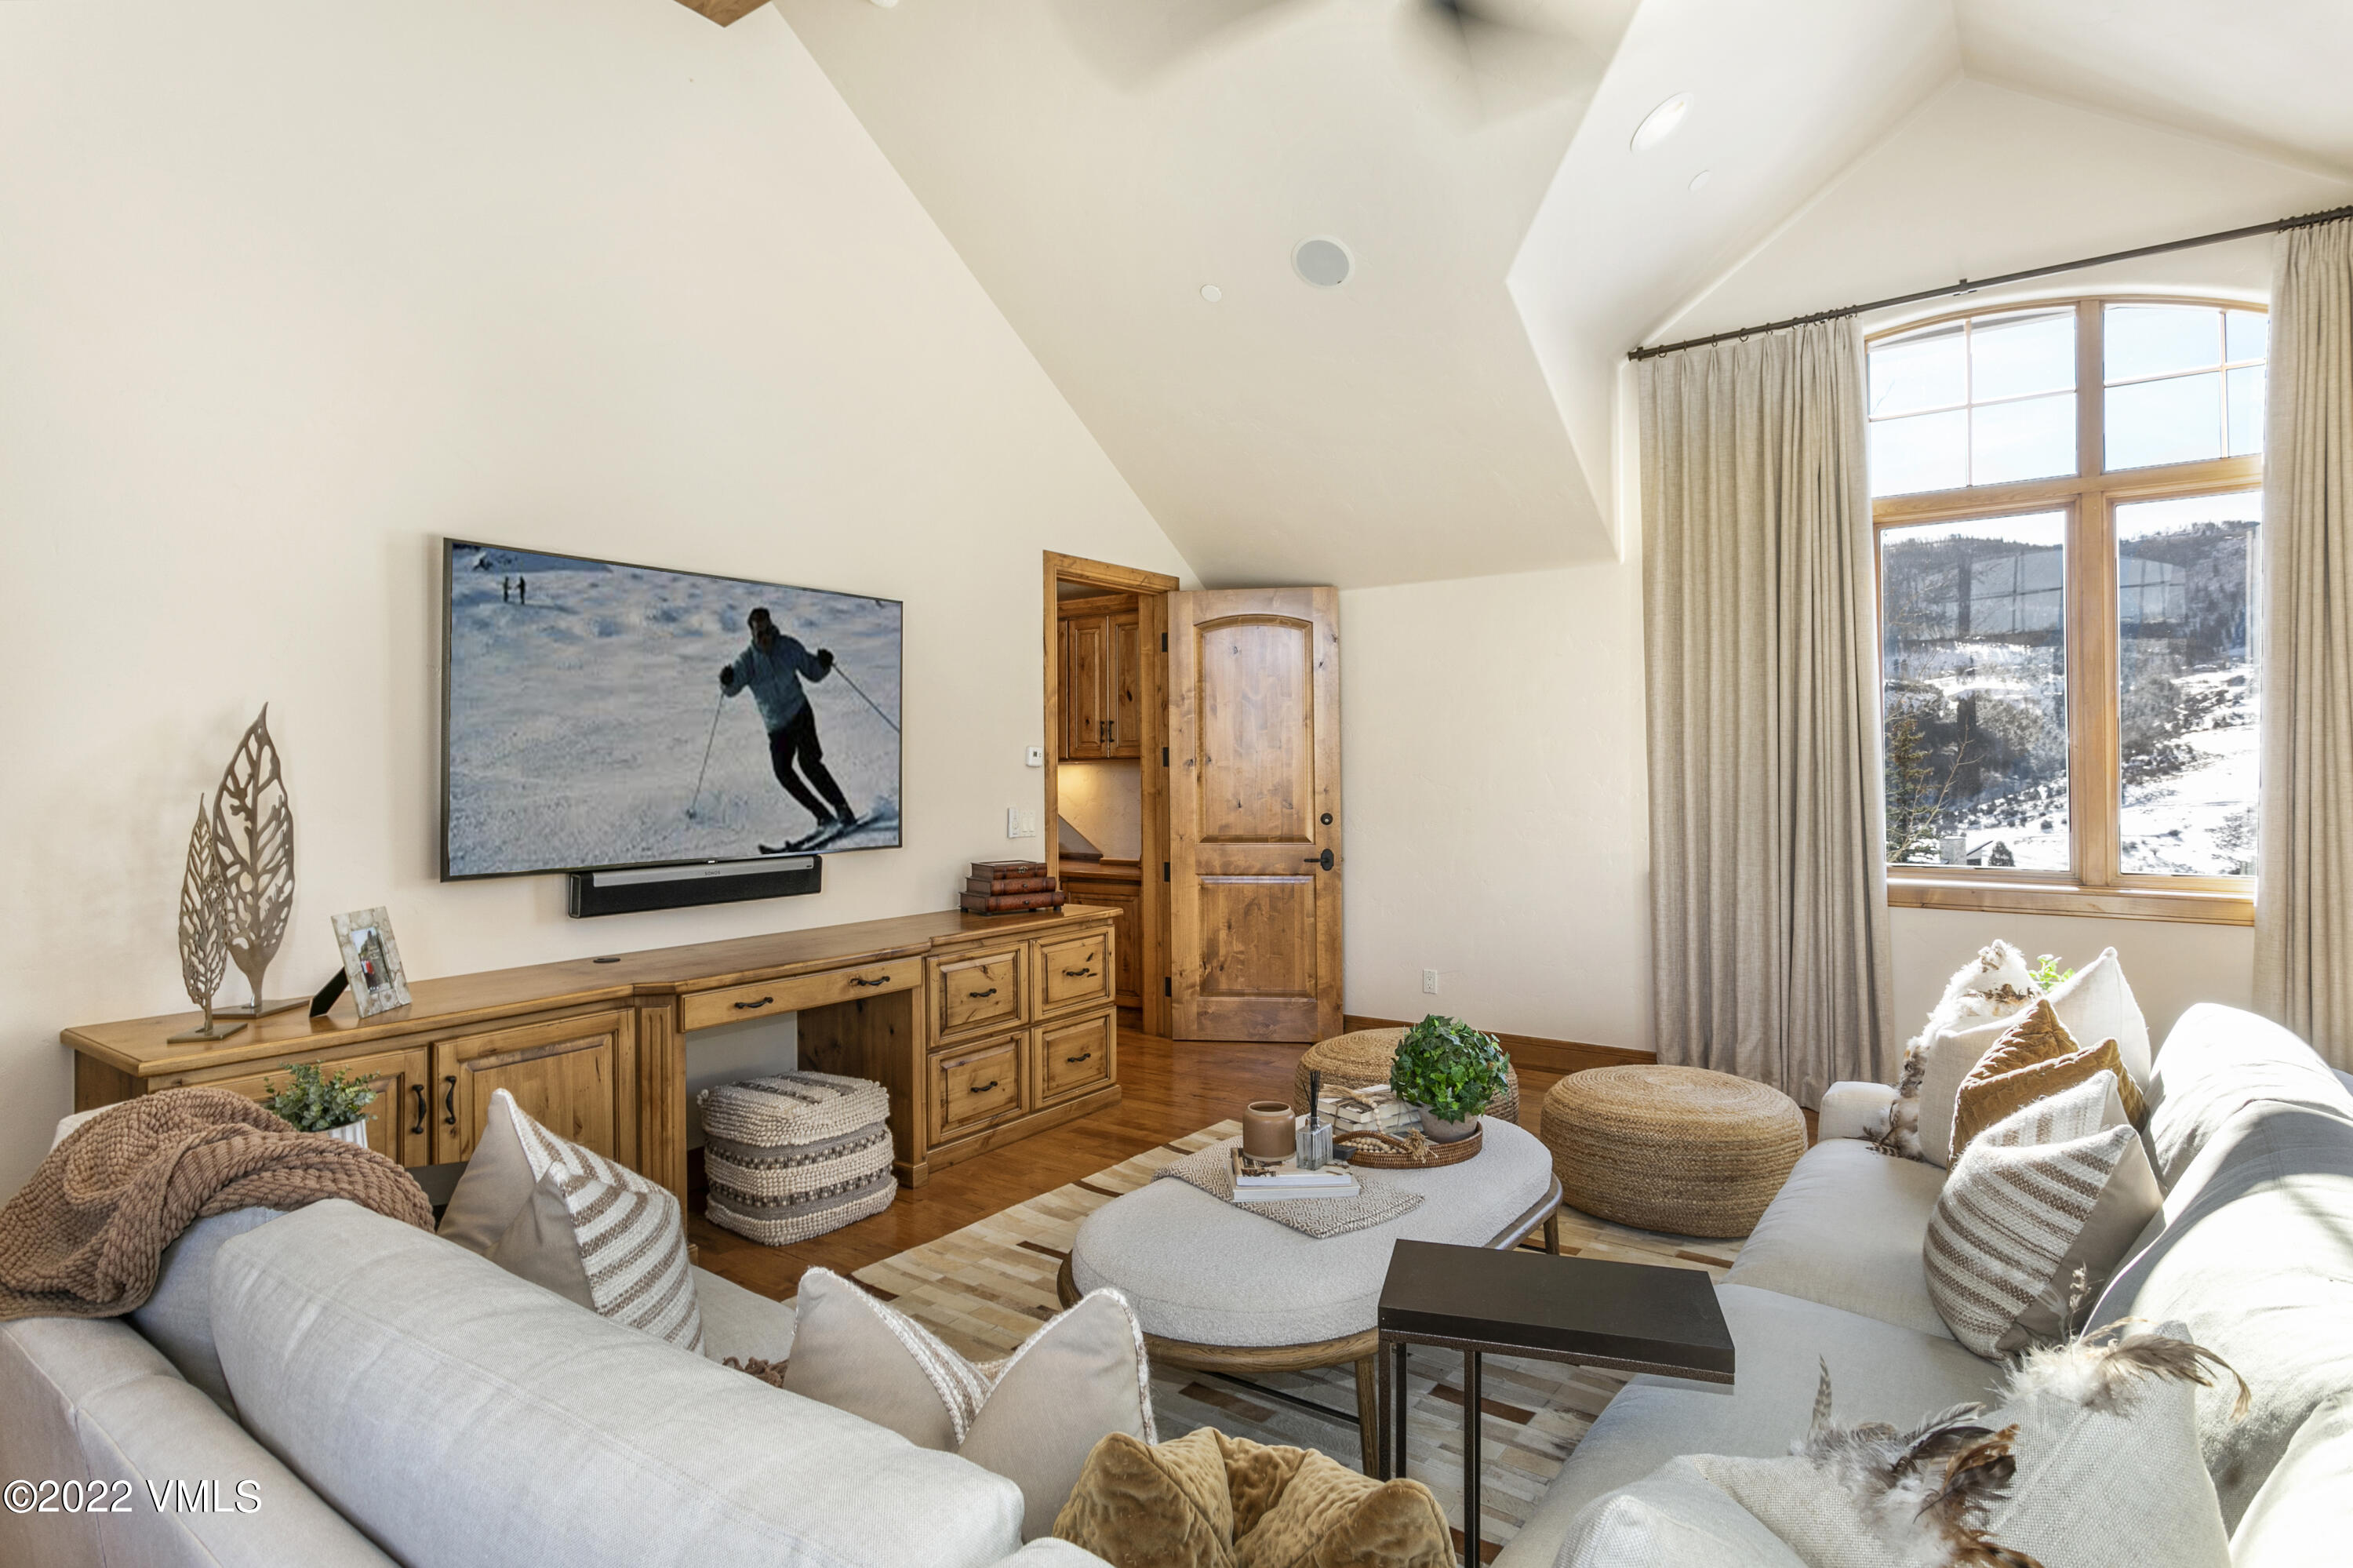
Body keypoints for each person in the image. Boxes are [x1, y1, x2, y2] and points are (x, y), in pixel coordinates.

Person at [720, 606, 856, 838]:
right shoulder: (748, 662)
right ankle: (823, 816)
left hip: (800, 714)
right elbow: (731, 689)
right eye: (759, 634)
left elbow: (813, 671)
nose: (765, 638)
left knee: (809, 763)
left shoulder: (787, 647)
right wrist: (726, 680)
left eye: (767, 632)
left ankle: (842, 809)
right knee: (782, 772)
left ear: (772, 627)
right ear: (752, 635)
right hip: (777, 727)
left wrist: (823, 663)